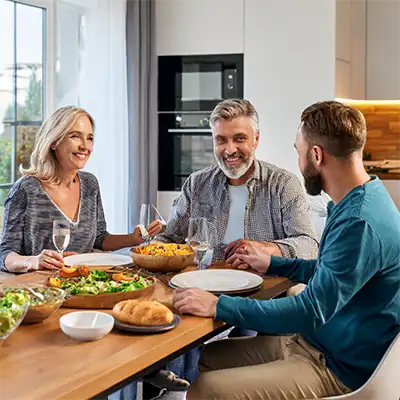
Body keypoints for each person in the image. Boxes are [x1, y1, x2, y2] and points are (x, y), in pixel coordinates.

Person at [173, 101, 400, 399]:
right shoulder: (361, 199)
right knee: (211, 357)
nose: (298, 158)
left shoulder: (358, 221)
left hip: (335, 366)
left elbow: (310, 311)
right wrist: (276, 263)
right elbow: (328, 271)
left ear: (316, 155)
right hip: (319, 342)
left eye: (298, 149)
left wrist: (219, 306)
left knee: (207, 389)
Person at [0, 106, 163, 273]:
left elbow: (99, 239)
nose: (85, 146)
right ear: (54, 141)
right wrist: (35, 261)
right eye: (75, 136)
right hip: (40, 289)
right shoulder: (26, 189)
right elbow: (4, 255)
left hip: (84, 283)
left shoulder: (90, 184)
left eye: (90, 138)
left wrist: (133, 238)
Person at [159, 98, 318, 264]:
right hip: (202, 284)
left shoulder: (283, 184)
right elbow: (168, 238)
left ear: (256, 139)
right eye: (221, 140)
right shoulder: (196, 184)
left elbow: (309, 245)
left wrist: (265, 249)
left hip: (266, 288)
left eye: (239, 138)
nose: (230, 150)